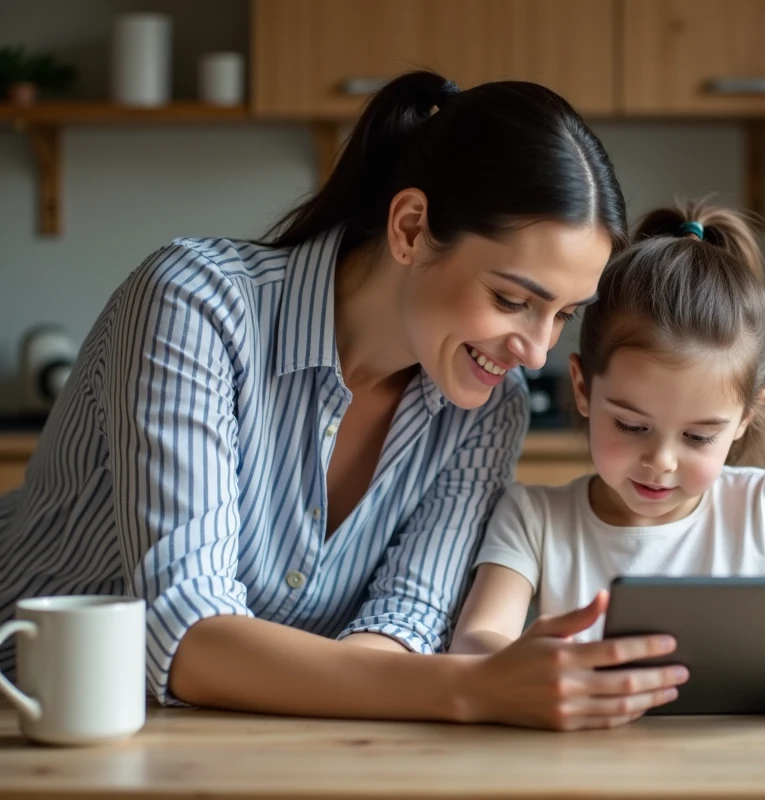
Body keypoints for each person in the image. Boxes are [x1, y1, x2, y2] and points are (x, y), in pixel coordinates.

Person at [0, 70, 690, 730]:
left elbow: (403, 625)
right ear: (412, 228)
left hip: (227, 742)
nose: (536, 352)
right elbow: (187, 638)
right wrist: (476, 688)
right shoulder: (198, 306)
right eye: (513, 300)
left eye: (564, 314)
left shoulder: (489, 407)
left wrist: (443, 688)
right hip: (28, 716)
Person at [451, 200, 765, 720]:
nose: (660, 461)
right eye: (632, 426)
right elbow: (474, 643)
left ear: (745, 418)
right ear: (583, 388)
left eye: (699, 437)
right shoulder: (535, 518)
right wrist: (526, 668)